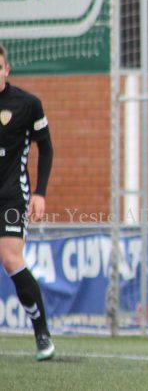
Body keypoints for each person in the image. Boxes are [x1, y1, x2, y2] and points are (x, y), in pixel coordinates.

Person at [0, 44, 55, 361]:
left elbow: (46, 149)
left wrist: (40, 193)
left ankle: (42, 332)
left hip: (11, 195)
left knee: (10, 258)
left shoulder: (27, 104)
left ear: (7, 69)